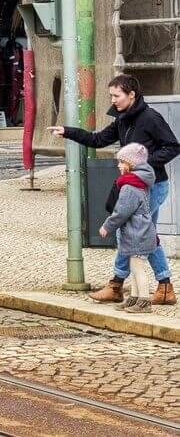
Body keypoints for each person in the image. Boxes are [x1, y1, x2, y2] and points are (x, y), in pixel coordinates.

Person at [50, 73, 179, 305]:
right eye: (111, 95)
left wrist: (143, 164)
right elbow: (98, 140)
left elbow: (172, 146)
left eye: (116, 95)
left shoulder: (151, 118)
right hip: (135, 186)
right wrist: (68, 131)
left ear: (132, 95)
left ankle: (120, 284)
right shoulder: (122, 120)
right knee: (143, 234)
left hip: (153, 186)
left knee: (133, 233)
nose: (113, 100)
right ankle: (161, 286)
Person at [98, 144, 158, 313]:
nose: (118, 165)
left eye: (122, 162)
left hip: (137, 233)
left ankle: (144, 302)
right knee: (134, 266)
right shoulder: (139, 182)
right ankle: (134, 298)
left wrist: (107, 226)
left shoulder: (129, 187)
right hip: (140, 231)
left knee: (138, 269)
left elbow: (121, 212)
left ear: (131, 164)